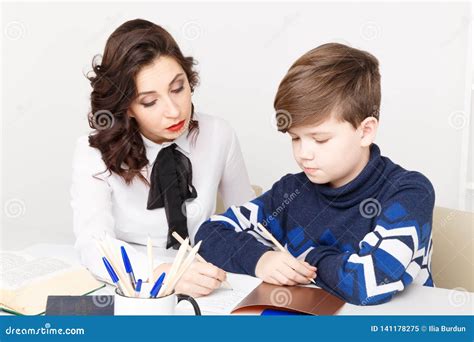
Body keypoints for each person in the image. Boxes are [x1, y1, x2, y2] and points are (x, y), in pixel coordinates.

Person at [195, 43, 435, 305]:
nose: (303, 154)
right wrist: (261, 259)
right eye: (295, 138)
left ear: (365, 131)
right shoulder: (291, 192)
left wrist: (310, 258)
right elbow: (210, 233)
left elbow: (370, 283)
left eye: (320, 139)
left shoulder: (409, 192)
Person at [71, 19, 254, 298]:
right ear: (127, 107)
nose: (173, 111)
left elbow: (246, 220)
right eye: (149, 101)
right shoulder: (92, 150)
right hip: (133, 285)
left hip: (207, 281)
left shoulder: (219, 134)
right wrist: (159, 273)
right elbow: (93, 242)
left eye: (178, 88)